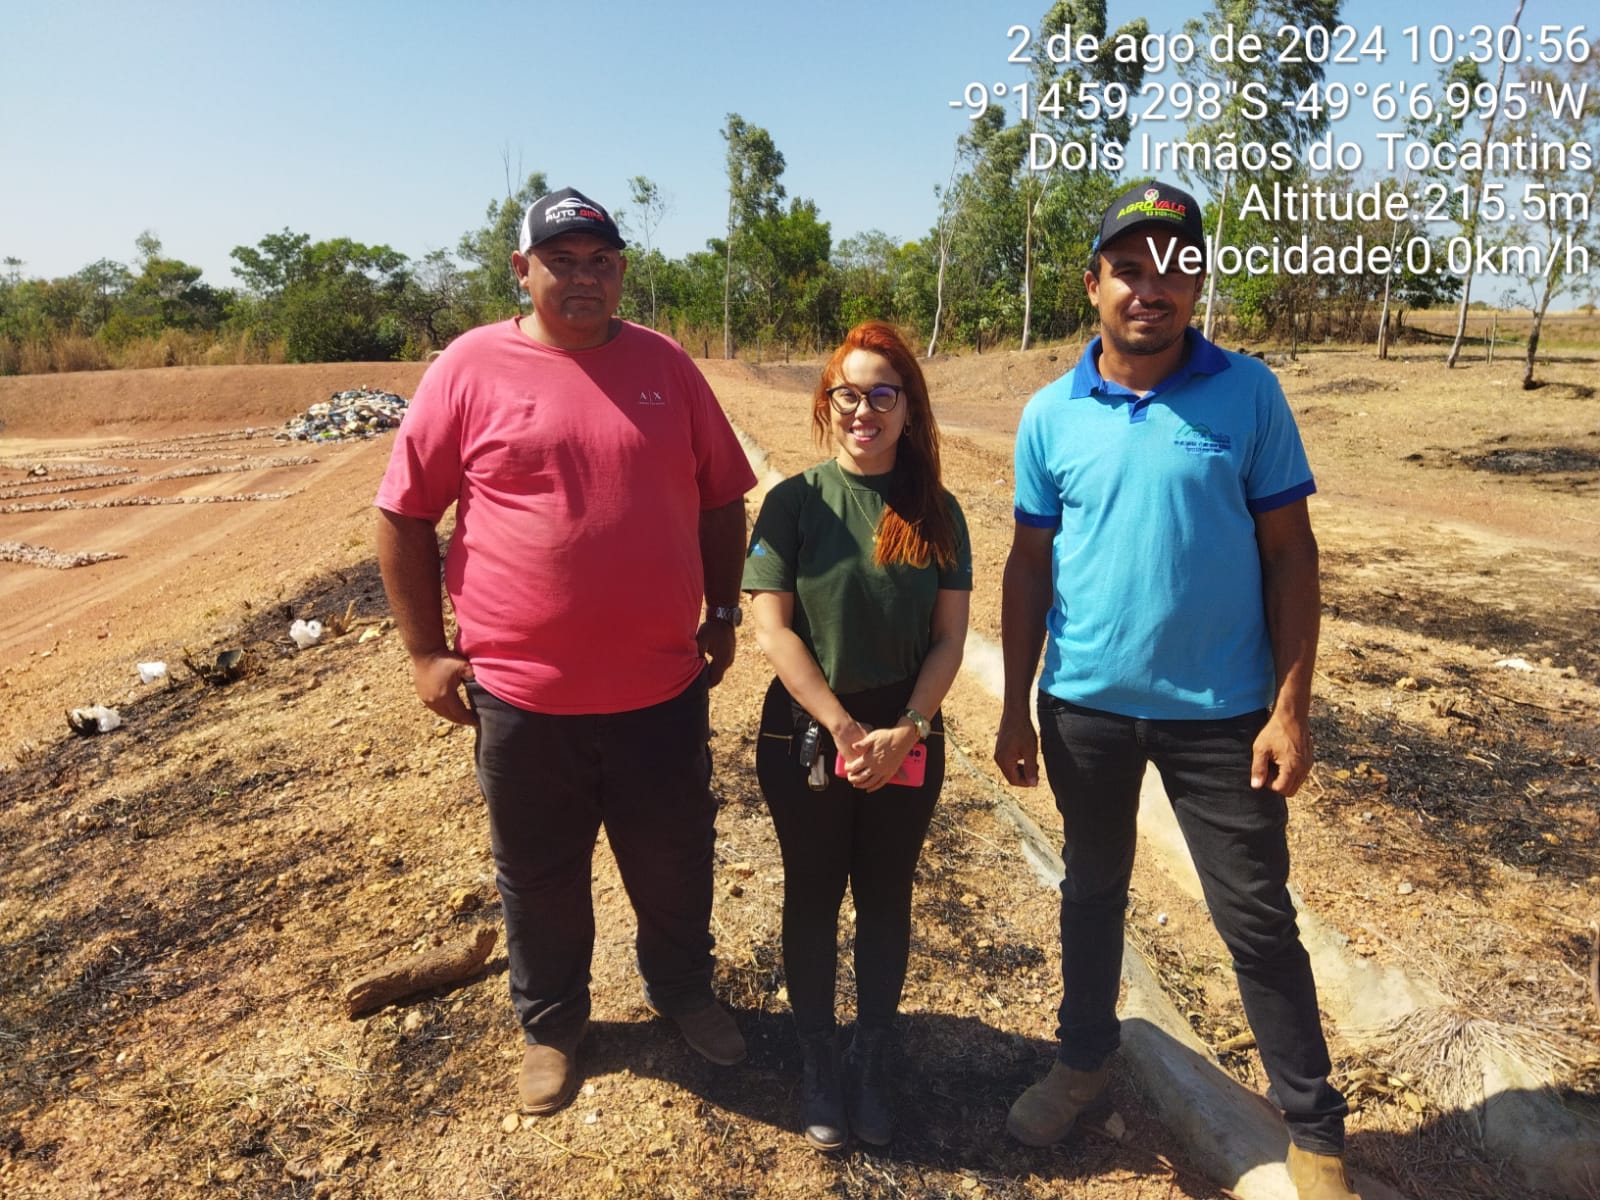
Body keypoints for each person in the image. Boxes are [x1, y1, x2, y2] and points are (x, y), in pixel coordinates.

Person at [993, 181, 1359, 1200]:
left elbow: (1291, 555)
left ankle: (1316, 1134)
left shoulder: (1248, 395)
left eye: (1175, 265)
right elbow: (1029, 566)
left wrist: (1291, 707)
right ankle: (1081, 1062)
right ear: (1094, 283)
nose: (1151, 287)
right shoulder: (1048, 414)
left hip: (1223, 720)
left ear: (1197, 279)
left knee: (1253, 918)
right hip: (1085, 710)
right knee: (1091, 893)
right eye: (1129, 267)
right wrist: (1016, 701)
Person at [375, 187, 757, 1117]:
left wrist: (721, 613)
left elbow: (719, 497)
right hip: (522, 699)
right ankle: (551, 1022)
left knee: (673, 858)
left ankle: (681, 990)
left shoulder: (666, 366)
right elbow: (403, 511)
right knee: (539, 873)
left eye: (601, 262)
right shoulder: (469, 367)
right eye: (563, 261)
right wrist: (427, 652)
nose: (584, 278)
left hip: (660, 687)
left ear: (621, 271)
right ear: (523, 270)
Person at [743, 321, 972, 1152]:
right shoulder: (794, 504)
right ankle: (818, 1061)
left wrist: (907, 730)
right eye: (850, 393)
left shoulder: (935, 510)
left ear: (908, 407)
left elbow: (950, 639)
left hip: (907, 730)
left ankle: (872, 1056)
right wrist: (843, 727)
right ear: (826, 404)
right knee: (811, 892)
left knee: (884, 896)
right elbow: (769, 627)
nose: (865, 410)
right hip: (807, 732)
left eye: (884, 393)